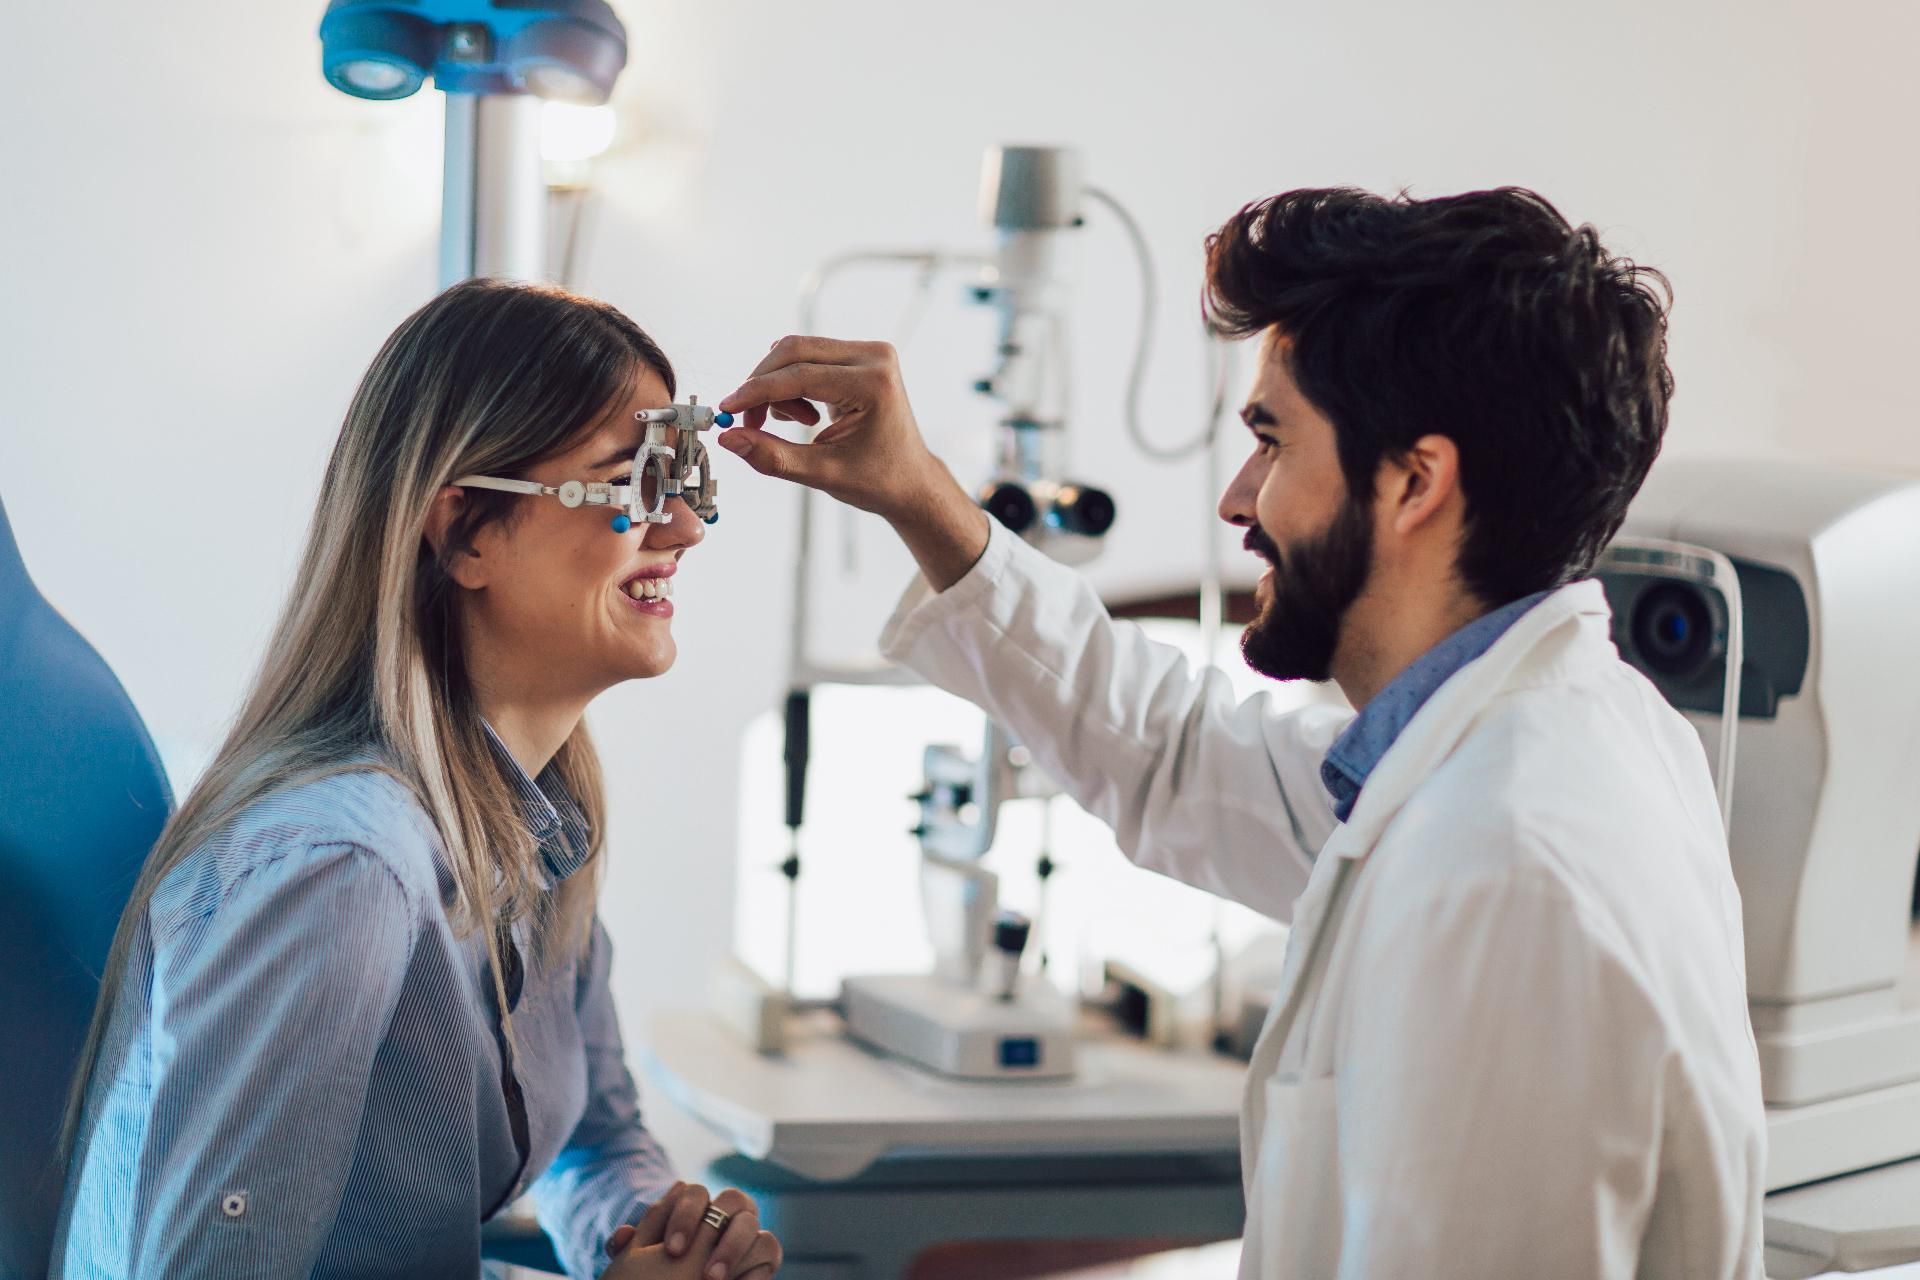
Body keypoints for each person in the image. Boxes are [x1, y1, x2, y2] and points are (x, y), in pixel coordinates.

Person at [714, 187, 1768, 1277]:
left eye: (1271, 439)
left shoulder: (1504, 867)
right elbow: (1175, 754)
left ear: (1415, 482)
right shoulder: (1510, 751)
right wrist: (921, 497)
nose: (1235, 498)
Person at [54, 280, 781, 1280]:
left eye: (685, 481)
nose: (687, 529)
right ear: (465, 533)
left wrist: (662, 1234)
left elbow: (593, 1144)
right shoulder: (341, 866)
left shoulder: (546, 829)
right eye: (637, 484)